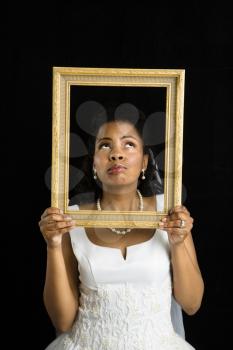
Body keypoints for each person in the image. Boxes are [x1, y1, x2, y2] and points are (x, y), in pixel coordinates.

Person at [39, 104, 204, 349]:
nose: (117, 154)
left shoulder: (168, 211)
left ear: (145, 161)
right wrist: (53, 246)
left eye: (129, 144)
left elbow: (191, 304)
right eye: (105, 145)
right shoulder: (70, 221)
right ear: (94, 163)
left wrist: (178, 242)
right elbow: (63, 321)